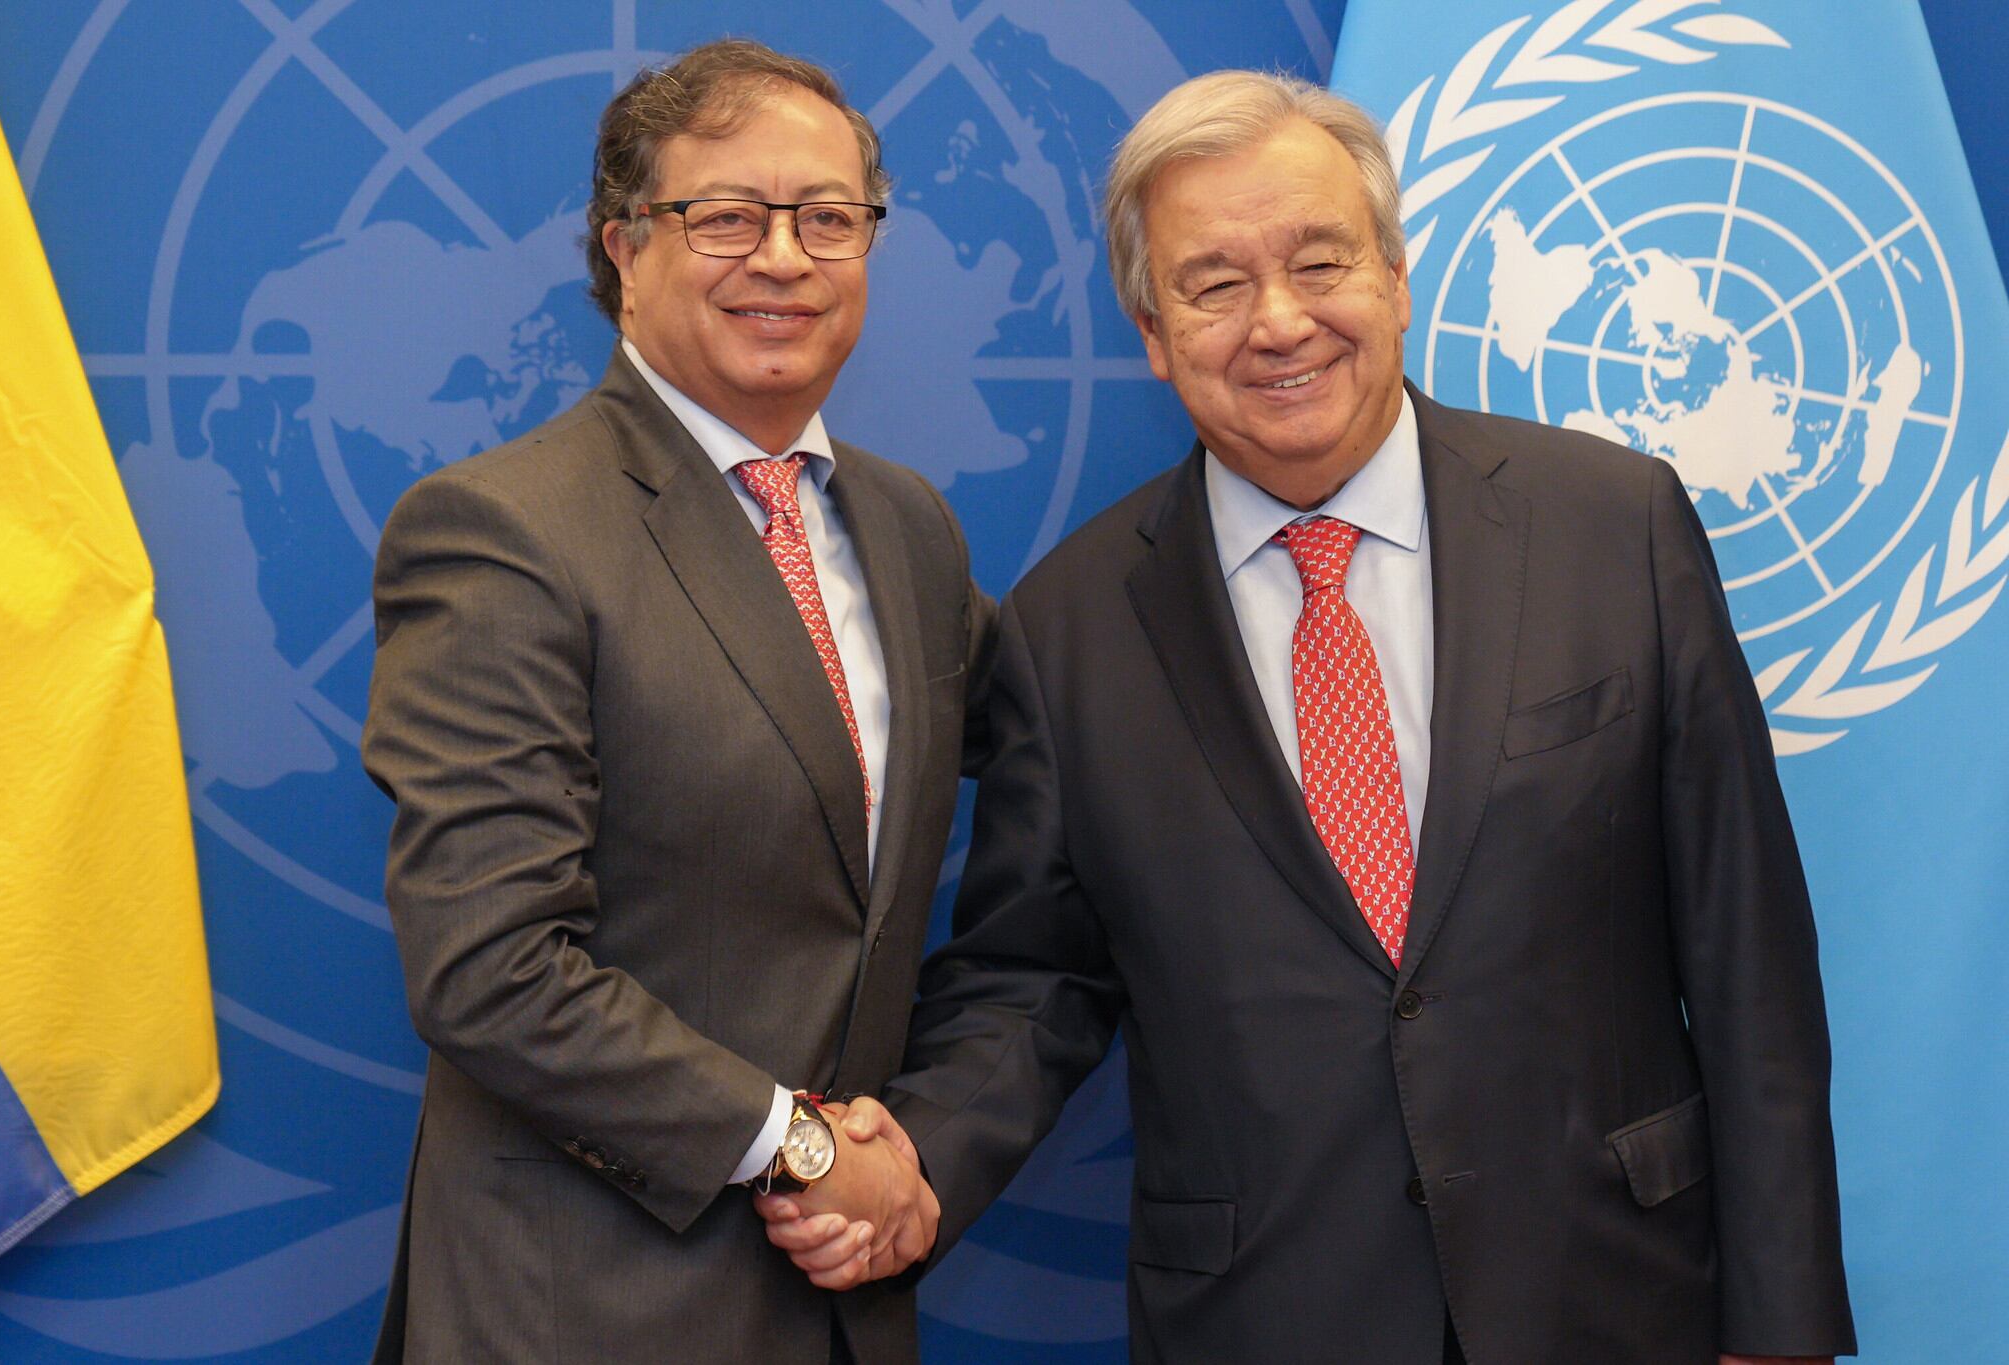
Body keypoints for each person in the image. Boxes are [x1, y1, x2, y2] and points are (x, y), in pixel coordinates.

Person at [763, 70, 1855, 1363]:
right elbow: (1033, 980)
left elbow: (1747, 953)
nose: (1278, 322)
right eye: (1215, 284)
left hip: (1618, 1293)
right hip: (1265, 1314)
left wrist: (1778, 1319)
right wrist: (913, 1161)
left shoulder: (1614, 527)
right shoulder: (1068, 629)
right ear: (1154, 331)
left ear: (1395, 276)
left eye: (1320, 261)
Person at [362, 38, 991, 1365]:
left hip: (844, 1303)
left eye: (828, 218)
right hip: (587, 1314)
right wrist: (806, 1142)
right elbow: (488, 965)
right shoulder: (501, 531)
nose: (783, 256)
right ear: (622, 247)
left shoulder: (909, 529)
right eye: (725, 216)